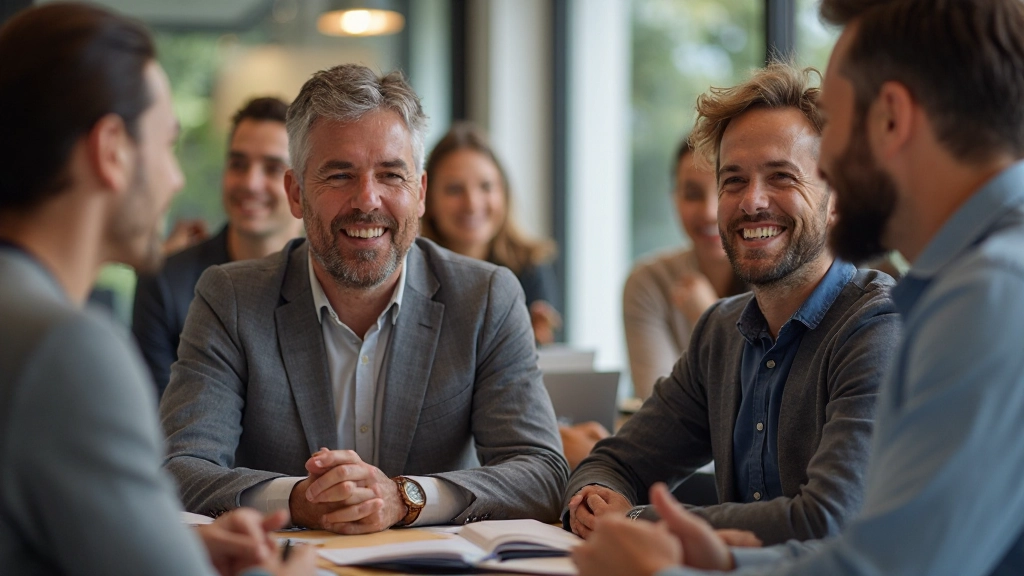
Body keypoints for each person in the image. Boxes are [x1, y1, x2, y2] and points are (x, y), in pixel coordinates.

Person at [571, 1, 1024, 575]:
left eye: (839, 121)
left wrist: (661, 560)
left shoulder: (988, 295)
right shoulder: (971, 283)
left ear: (891, 118)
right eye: (733, 180)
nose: (830, 157)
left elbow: (881, 562)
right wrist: (728, 562)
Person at [160, 63, 569, 535]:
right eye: (339, 175)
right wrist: (299, 499)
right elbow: (179, 468)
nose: (367, 200)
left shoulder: (485, 297)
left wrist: (406, 497)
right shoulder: (230, 298)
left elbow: (542, 472)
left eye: (391, 175)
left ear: (419, 193)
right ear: (295, 193)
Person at [0, 4, 314, 575]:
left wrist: (176, 546)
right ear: (112, 149)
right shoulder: (67, 351)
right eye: (168, 144)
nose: (174, 179)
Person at [564, 62, 901, 546]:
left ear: (837, 200)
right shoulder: (720, 332)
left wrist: (639, 521)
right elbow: (613, 462)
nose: (751, 202)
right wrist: (596, 498)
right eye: (734, 180)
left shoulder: (877, 327)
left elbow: (825, 520)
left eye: (781, 177)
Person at [133, 96, 303, 397]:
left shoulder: (328, 282)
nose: (250, 183)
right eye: (238, 164)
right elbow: (157, 417)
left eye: (273, 168)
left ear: (299, 185)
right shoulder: (164, 284)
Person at [624, 137, 746, 399]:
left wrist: (711, 318)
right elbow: (660, 408)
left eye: (725, 189)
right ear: (674, 199)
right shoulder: (648, 283)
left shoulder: (777, 279)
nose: (709, 212)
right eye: (692, 194)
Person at [421, 121, 562, 344]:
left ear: (504, 193)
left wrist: (536, 340)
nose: (472, 204)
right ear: (426, 197)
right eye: (454, 189)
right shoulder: (411, 270)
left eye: (486, 187)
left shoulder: (530, 267)